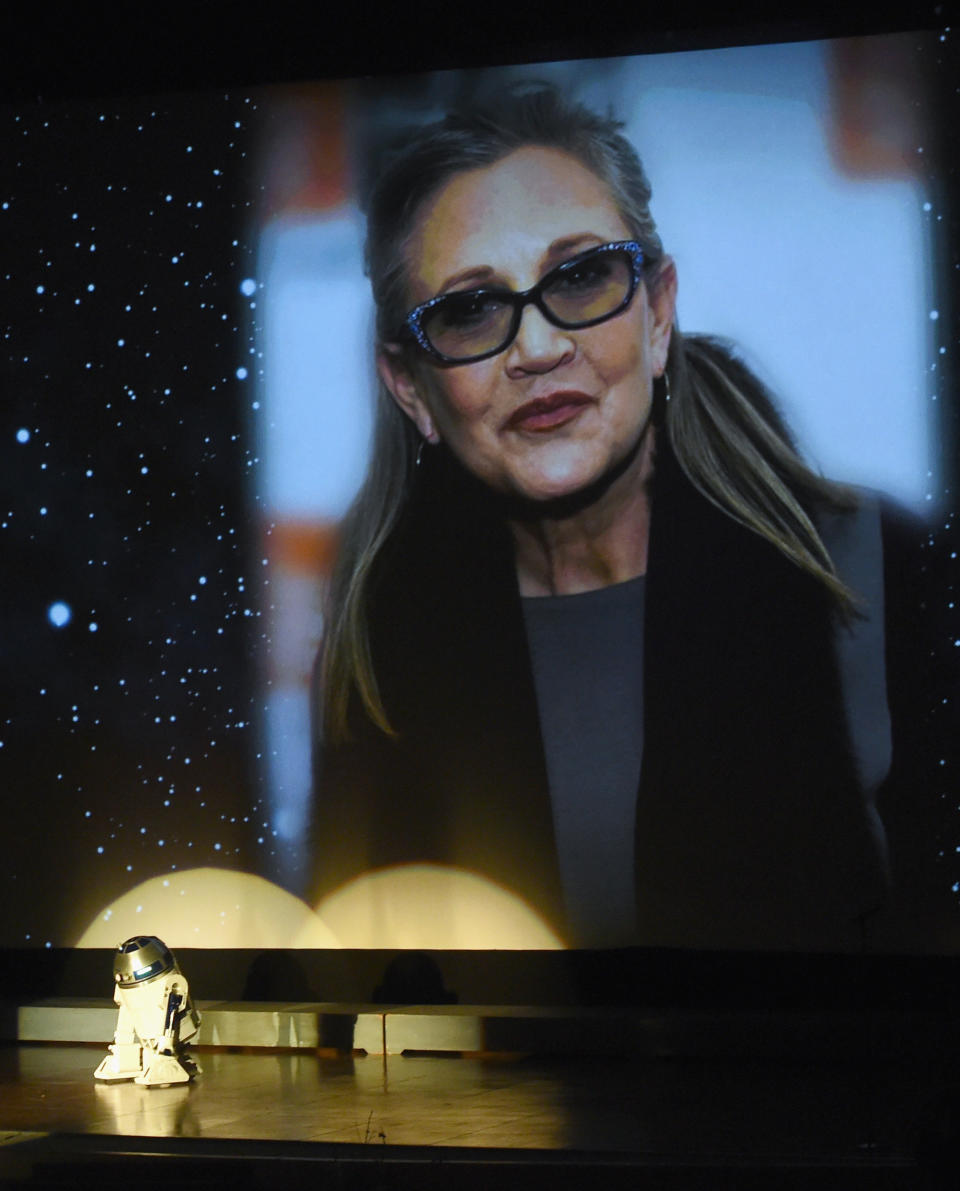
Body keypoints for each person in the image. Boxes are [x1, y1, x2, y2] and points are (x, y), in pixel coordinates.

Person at [309, 84, 938, 953]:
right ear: (412, 387)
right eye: (470, 308)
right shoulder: (379, 645)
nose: (536, 349)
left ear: (658, 312)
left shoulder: (877, 570)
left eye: (580, 276)